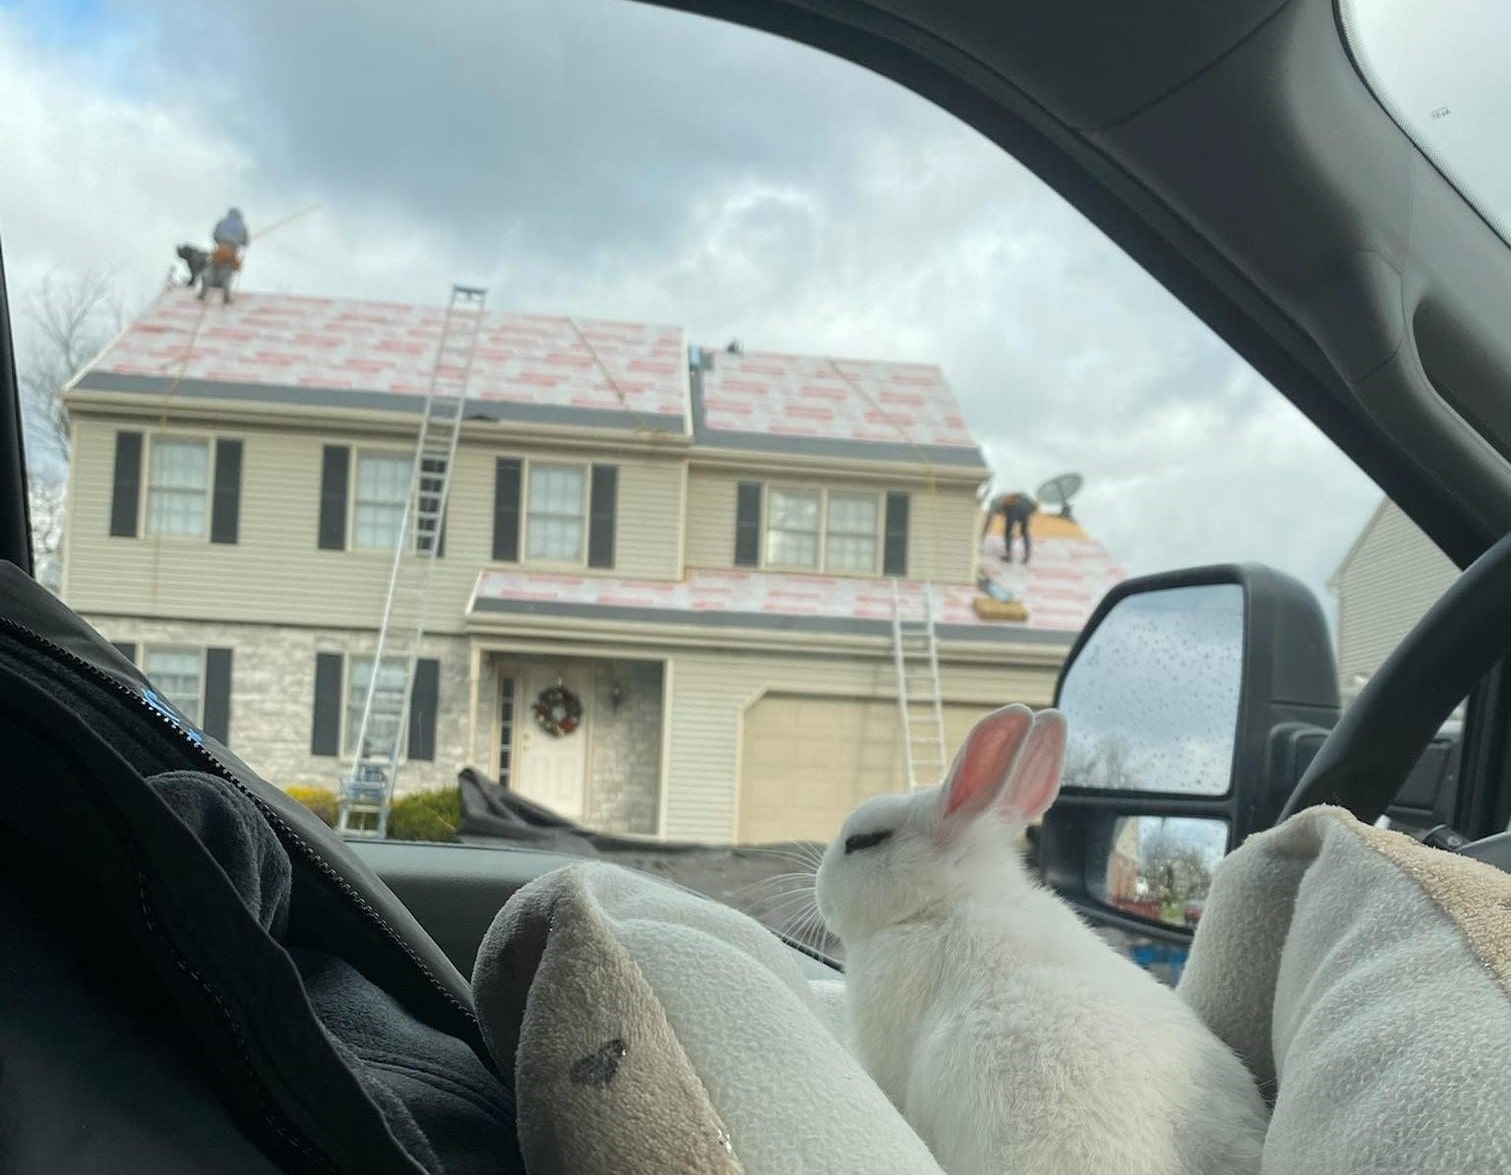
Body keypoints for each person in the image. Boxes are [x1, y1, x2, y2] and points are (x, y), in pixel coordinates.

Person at [199, 207, 250, 305]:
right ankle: (226, 296)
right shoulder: (242, 226)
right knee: (228, 274)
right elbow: (245, 242)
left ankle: (203, 292)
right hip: (231, 253)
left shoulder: (222, 222)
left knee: (211, 270)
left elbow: (214, 236)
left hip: (219, 250)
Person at [982, 490, 1038, 564]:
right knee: (1024, 532)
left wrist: (983, 535)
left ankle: (1009, 557)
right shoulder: (1014, 496)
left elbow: (989, 521)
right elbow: (1033, 506)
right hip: (1026, 507)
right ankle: (1027, 556)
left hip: (1015, 509)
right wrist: (1027, 515)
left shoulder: (995, 503)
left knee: (1008, 533)